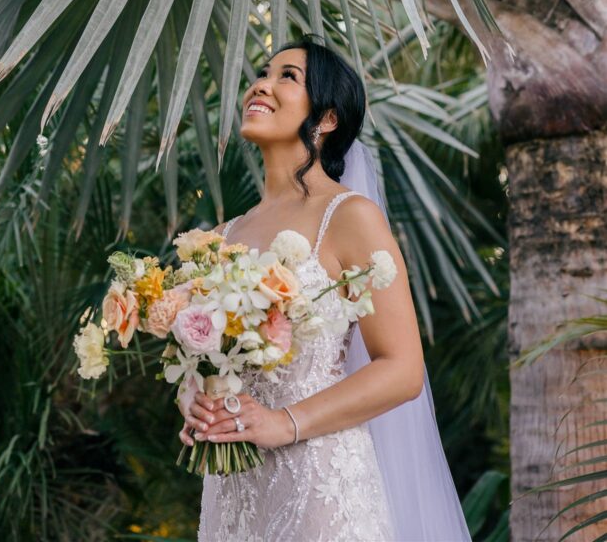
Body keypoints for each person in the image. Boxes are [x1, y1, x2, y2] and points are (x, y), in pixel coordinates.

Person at [182, 35, 471, 541]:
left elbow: (403, 370)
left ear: (328, 119)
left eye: (287, 77)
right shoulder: (220, 238)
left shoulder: (350, 217)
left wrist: (284, 422)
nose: (262, 85)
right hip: (231, 493)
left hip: (320, 488)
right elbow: (207, 362)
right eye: (263, 73)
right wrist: (196, 405)